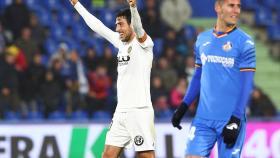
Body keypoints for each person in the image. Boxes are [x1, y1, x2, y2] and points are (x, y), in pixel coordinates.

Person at [69, 0, 156, 157]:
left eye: (121, 24)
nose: (117, 29)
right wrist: (76, 4)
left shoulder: (144, 44)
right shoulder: (120, 43)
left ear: (131, 25)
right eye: (117, 25)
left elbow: (139, 27)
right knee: (107, 155)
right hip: (121, 111)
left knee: (146, 155)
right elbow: (98, 26)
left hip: (139, 110)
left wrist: (133, 7)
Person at [171, 0, 256, 158]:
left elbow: (247, 85)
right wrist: (183, 106)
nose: (236, 10)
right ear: (218, 7)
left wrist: (236, 119)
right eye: (231, 5)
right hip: (203, 119)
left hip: (230, 118)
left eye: (238, 6)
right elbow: (197, 77)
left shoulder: (245, 42)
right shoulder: (202, 39)